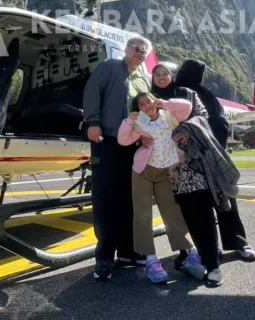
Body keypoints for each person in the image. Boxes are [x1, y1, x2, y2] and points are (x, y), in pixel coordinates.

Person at [174, 59, 255, 263]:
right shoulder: (180, 94)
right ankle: (208, 248)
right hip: (192, 158)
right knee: (200, 206)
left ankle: (236, 242)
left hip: (213, 154)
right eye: (203, 72)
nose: (205, 76)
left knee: (224, 198)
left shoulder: (204, 92)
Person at [83, 36, 151, 281]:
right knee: (105, 198)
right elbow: (92, 91)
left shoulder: (142, 78)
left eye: (143, 52)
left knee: (129, 198)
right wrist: (93, 122)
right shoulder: (109, 67)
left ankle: (127, 251)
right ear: (126, 49)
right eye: (136, 48)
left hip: (131, 146)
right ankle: (103, 258)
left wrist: (146, 135)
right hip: (107, 141)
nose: (139, 53)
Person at [118, 93, 205, 283]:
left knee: (172, 212)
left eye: (148, 100)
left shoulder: (168, 114)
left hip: (166, 172)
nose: (147, 105)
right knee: (143, 215)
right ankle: (150, 261)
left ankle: (190, 253)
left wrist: (163, 102)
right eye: (141, 104)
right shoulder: (139, 122)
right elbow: (123, 140)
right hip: (143, 172)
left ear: (154, 100)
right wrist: (128, 120)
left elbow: (187, 107)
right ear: (138, 109)